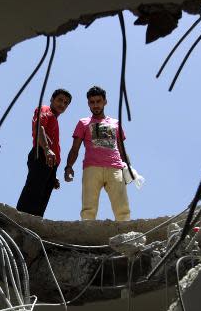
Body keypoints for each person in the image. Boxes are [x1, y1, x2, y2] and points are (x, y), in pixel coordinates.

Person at [64, 86, 131, 221]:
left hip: (115, 167)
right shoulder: (83, 123)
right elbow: (75, 148)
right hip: (91, 168)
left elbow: (122, 148)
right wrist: (68, 166)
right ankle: (87, 238)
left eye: (98, 101)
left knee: (122, 208)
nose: (95, 105)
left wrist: (129, 167)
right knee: (88, 208)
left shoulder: (115, 123)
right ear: (88, 103)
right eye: (92, 102)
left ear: (105, 102)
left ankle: (126, 238)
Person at [16, 88, 72, 217]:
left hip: (49, 162)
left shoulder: (54, 119)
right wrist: (46, 149)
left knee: (42, 199)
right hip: (41, 153)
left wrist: (52, 175)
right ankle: (19, 220)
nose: (62, 104)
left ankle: (32, 226)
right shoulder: (45, 109)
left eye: (65, 103)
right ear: (52, 99)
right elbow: (39, 126)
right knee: (33, 192)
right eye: (59, 100)